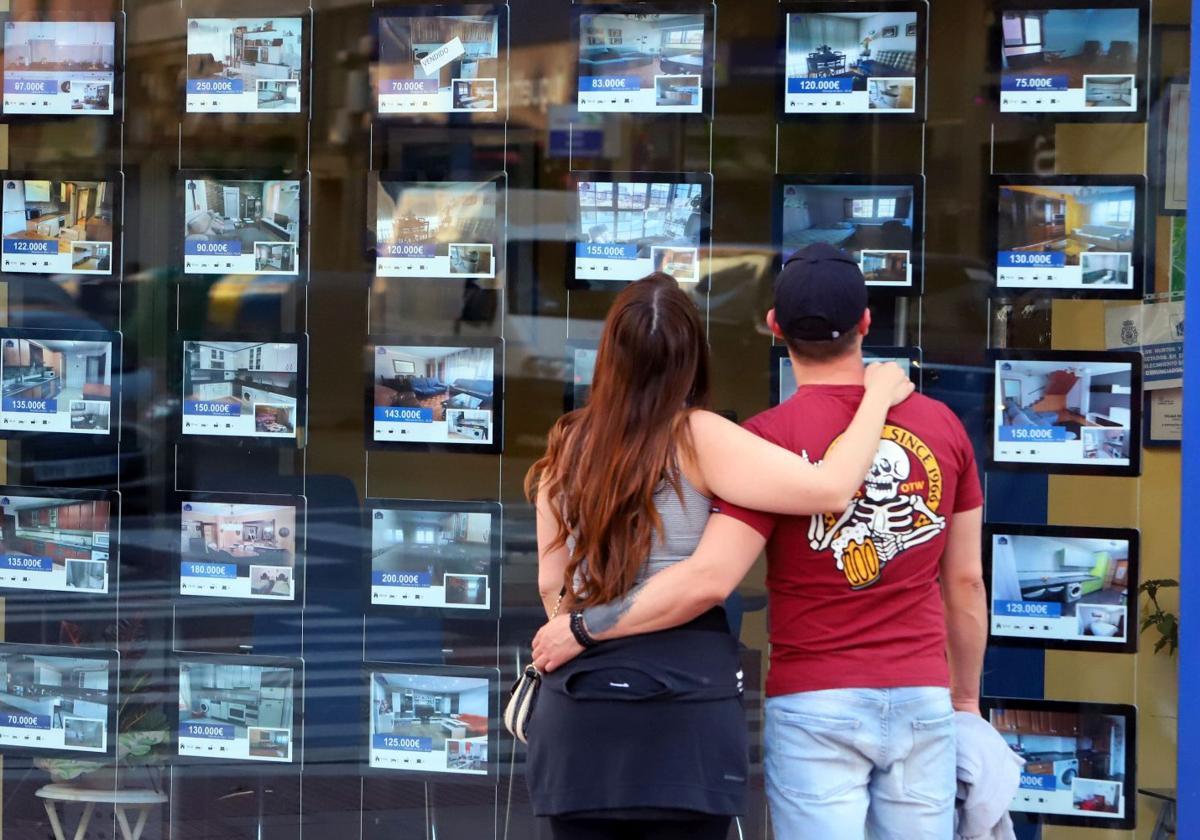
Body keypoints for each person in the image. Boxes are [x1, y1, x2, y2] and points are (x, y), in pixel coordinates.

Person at [532, 244, 988, 840]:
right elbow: (848, 506)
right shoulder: (713, 439)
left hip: (596, 709)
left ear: (774, 327)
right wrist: (877, 396)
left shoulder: (569, 444)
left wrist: (581, 629)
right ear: (867, 323)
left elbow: (553, 585)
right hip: (703, 709)